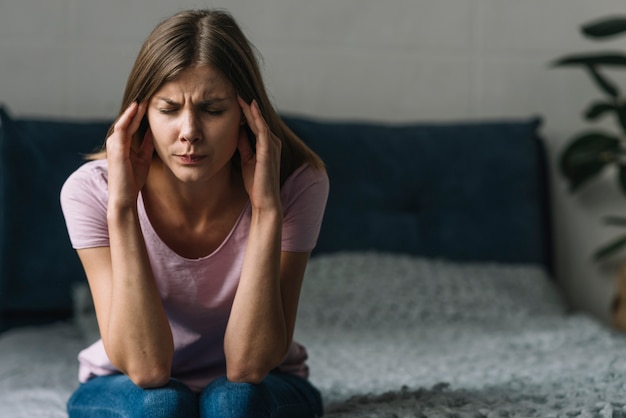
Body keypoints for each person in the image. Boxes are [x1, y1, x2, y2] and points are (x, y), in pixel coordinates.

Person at [60, 8, 328, 418]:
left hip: (261, 386)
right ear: (140, 115)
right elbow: (148, 369)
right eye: (168, 109)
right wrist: (124, 208)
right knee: (163, 404)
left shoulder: (297, 183)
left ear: (246, 113)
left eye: (213, 109)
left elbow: (249, 365)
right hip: (125, 385)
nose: (189, 132)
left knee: (232, 402)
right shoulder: (90, 191)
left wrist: (266, 209)